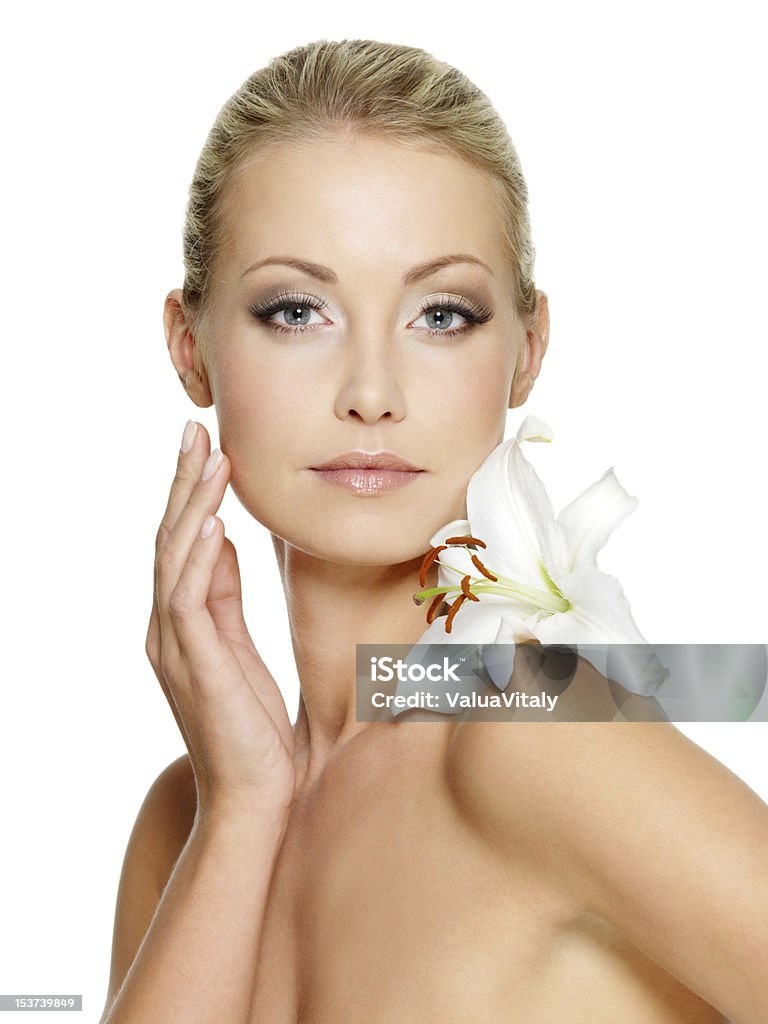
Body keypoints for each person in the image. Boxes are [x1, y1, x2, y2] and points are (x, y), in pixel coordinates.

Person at [98, 38, 767, 1024]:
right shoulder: (187, 818)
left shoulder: (535, 731)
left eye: (441, 315)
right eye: (297, 310)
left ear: (527, 349)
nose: (371, 392)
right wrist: (241, 811)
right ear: (188, 346)